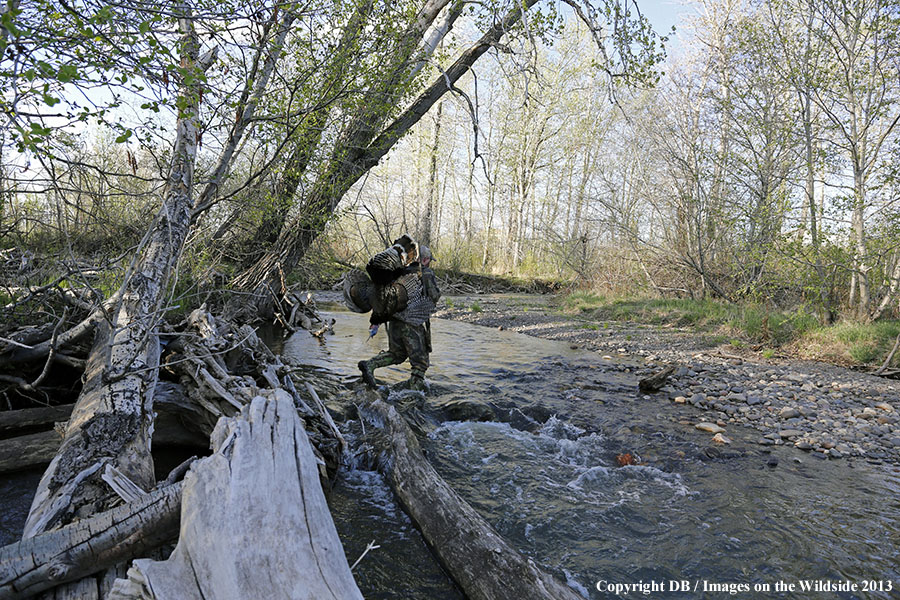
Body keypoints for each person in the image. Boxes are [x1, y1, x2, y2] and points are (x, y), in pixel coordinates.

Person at [358, 243, 440, 391]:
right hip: (412, 322)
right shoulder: (425, 273)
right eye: (428, 260)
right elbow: (434, 296)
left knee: (397, 354)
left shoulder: (397, 274)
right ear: (425, 260)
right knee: (420, 363)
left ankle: (370, 365)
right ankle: (413, 394)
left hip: (393, 320)